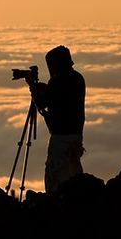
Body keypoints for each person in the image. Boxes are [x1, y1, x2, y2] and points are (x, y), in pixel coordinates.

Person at [29, 45, 85, 193]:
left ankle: (56, 202)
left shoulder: (57, 82)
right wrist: (46, 88)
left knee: (56, 173)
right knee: (73, 171)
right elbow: (62, 97)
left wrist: (34, 89)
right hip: (76, 134)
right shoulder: (78, 78)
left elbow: (43, 103)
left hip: (61, 136)